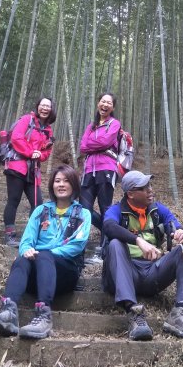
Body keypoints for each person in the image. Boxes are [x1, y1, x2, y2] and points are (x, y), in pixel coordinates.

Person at [0, 165, 91, 339]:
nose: (61, 184)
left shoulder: (83, 214)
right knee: (22, 259)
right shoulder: (41, 211)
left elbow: (77, 245)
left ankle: (43, 316)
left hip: (65, 274)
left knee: (45, 255)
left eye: (66, 181)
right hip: (38, 275)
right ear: (52, 186)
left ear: (74, 186)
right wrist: (26, 251)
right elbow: (26, 240)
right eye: (57, 181)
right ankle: (8, 313)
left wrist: (45, 254)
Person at [102, 170, 183, 341]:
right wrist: (138, 241)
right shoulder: (116, 210)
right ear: (131, 194)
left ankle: (180, 312)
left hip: (153, 273)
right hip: (125, 273)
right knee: (114, 244)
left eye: (149, 185)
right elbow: (108, 227)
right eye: (143, 187)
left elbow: (176, 226)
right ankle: (133, 312)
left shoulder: (158, 210)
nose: (150, 190)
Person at [3, 97, 56, 247]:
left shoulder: (48, 130)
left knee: (38, 203)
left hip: (33, 170)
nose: (45, 108)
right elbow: (16, 138)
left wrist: (40, 155)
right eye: (42, 105)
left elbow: (47, 150)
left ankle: (32, 234)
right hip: (17, 165)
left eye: (48, 106)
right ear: (37, 107)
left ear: (52, 110)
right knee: (14, 199)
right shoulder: (27, 119)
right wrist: (31, 152)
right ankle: (9, 235)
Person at [79, 92, 121, 261]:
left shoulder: (115, 124)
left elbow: (106, 142)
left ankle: (103, 249)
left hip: (107, 168)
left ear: (112, 107)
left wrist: (92, 144)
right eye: (102, 101)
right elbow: (83, 146)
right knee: (84, 208)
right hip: (89, 169)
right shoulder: (91, 126)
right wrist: (95, 145)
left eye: (108, 103)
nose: (105, 104)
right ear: (98, 103)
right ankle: (81, 243)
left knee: (105, 208)